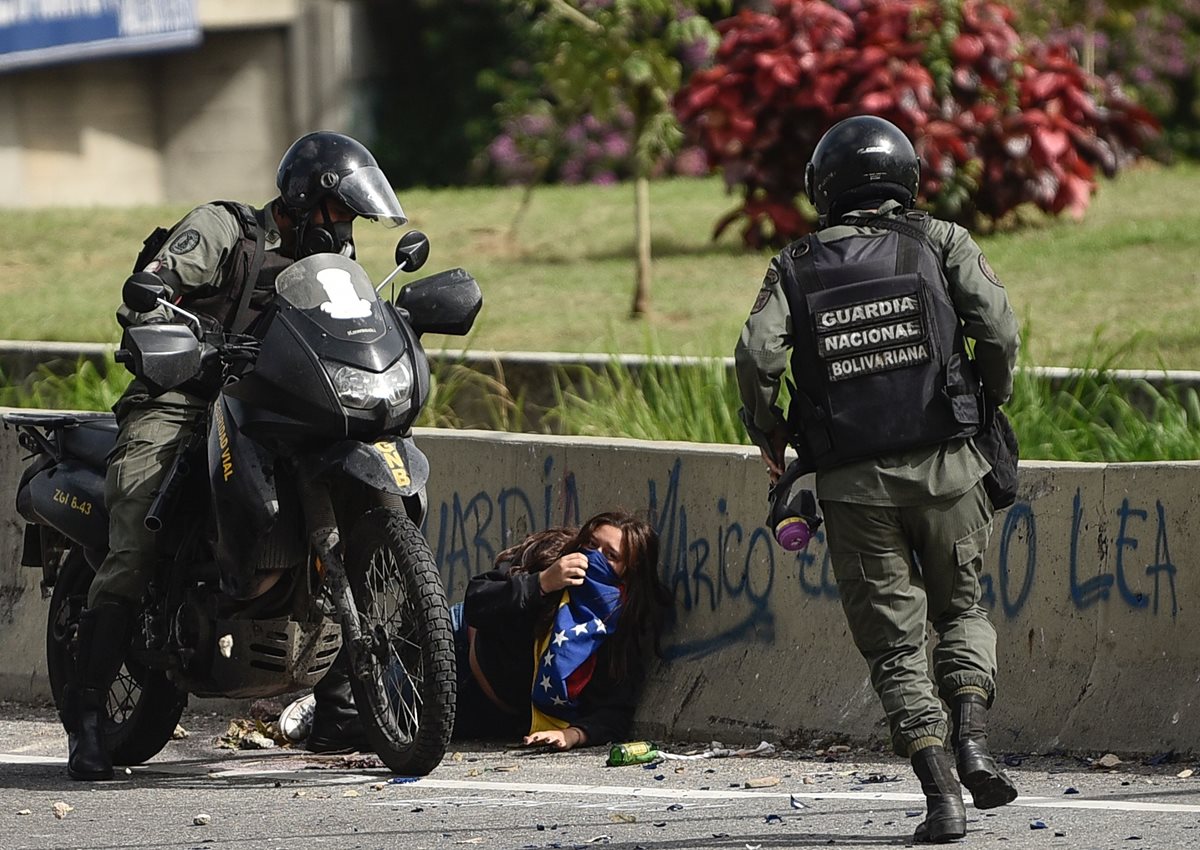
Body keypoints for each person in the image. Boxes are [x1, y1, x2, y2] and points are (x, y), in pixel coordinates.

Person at [65, 131, 408, 781]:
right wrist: (183, 325)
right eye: (341, 212)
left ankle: (339, 706)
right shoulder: (226, 231)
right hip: (183, 400)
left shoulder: (332, 260)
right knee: (139, 536)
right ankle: (85, 718)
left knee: (349, 503)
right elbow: (149, 292)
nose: (347, 228)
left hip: (272, 408)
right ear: (304, 200)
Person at [734, 115, 1021, 844]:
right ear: (905, 178)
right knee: (962, 614)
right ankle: (974, 739)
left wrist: (770, 433)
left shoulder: (792, 266)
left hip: (853, 489)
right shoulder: (941, 241)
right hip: (950, 471)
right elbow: (998, 326)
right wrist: (990, 397)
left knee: (894, 648)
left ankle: (942, 797)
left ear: (824, 190)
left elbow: (756, 359)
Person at [457, 511, 670, 749]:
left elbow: (615, 712)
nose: (593, 557)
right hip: (459, 649)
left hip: (494, 713)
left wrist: (573, 735)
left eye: (610, 555)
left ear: (628, 573)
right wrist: (542, 583)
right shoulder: (549, 555)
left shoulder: (620, 628)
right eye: (591, 544)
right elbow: (477, 600)